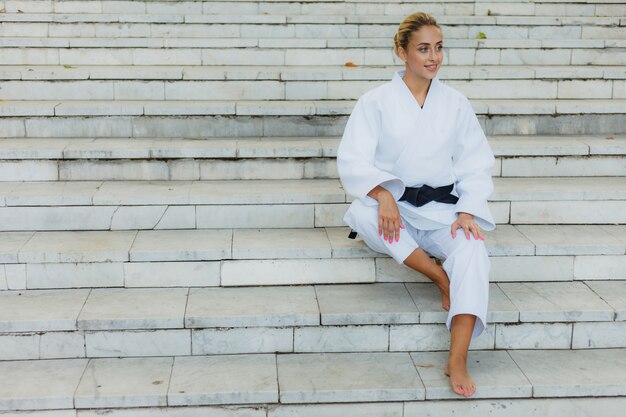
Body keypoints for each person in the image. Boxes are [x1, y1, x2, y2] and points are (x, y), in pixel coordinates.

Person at [336, 12, 495, 397]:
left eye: (438, 48)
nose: (433, 57)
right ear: (401, 52)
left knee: (474, 249)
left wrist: (466, 210)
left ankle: (457, 356)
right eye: (424, 48)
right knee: (361, 212)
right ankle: (440, 276)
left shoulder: (455, 103)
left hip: (441, 210)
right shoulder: (375, 102)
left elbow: (475, 161)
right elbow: (352, 159)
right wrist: (383, 192)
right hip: (397, 210)